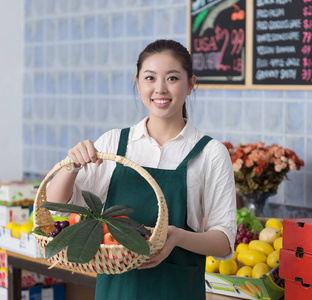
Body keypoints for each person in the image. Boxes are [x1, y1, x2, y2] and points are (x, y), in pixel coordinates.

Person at [46, 39, 237, 299]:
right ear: (138, 84)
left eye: (172, 78)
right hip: (117, 291)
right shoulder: (114, 143)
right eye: (150, 78)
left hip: (176, 290)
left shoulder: (210, 153)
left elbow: (224, 242)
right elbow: (56, 206)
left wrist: (176, 237)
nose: (160, 89)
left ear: (191, 84)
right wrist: (72, 166)